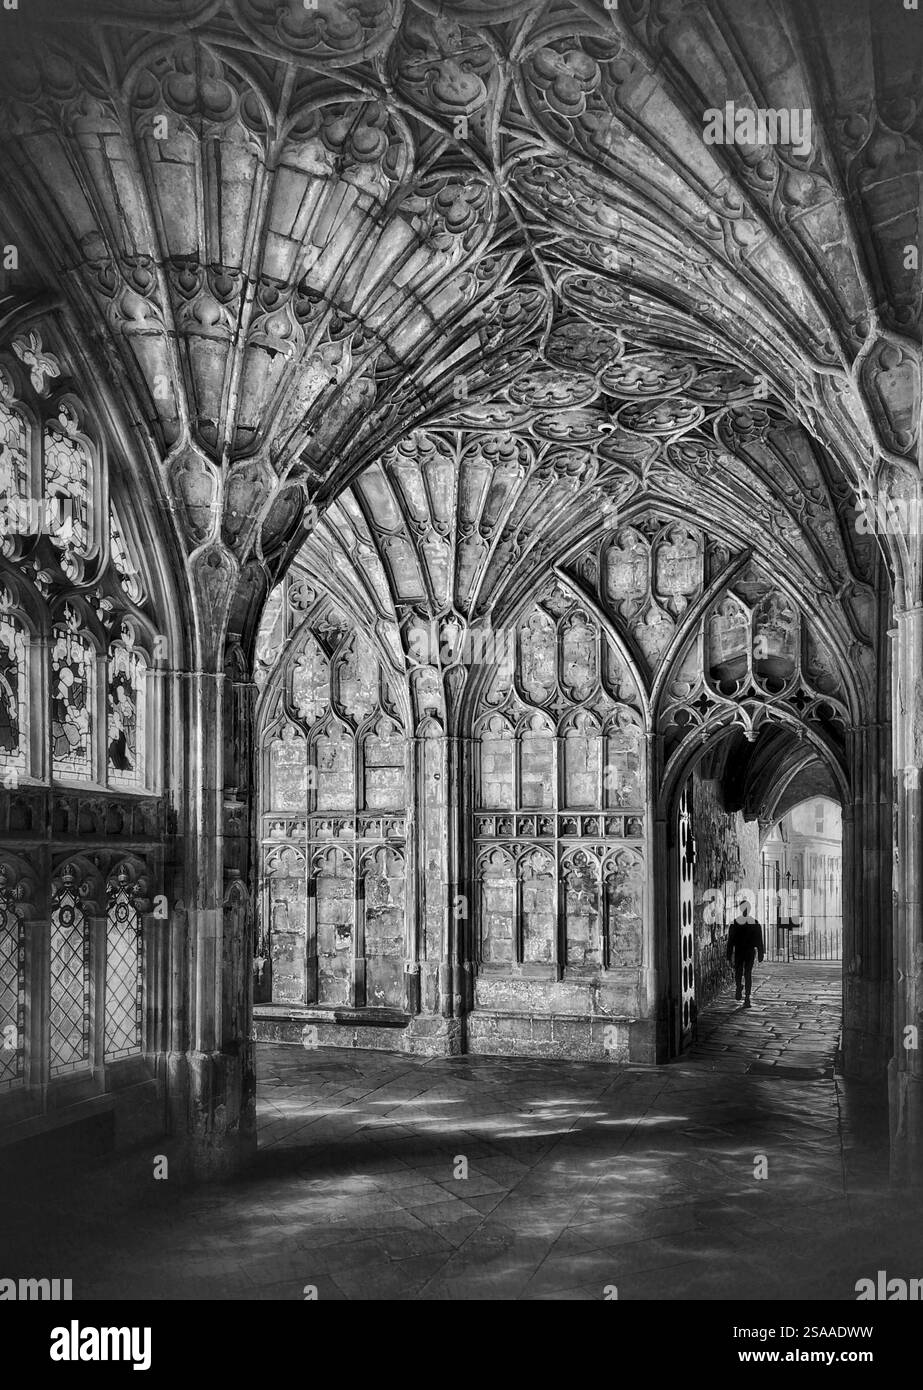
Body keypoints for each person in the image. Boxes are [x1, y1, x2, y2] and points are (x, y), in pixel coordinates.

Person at [726, 898, 765, 1007]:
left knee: (738, 972)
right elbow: (759, 940)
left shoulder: (735, 923)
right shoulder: (755, 923)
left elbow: (730, 941)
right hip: (749, 952)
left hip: (739, 951)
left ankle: (739, 986)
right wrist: (761, 953)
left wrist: (729, 955)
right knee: (748, 974)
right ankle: (747, 998)